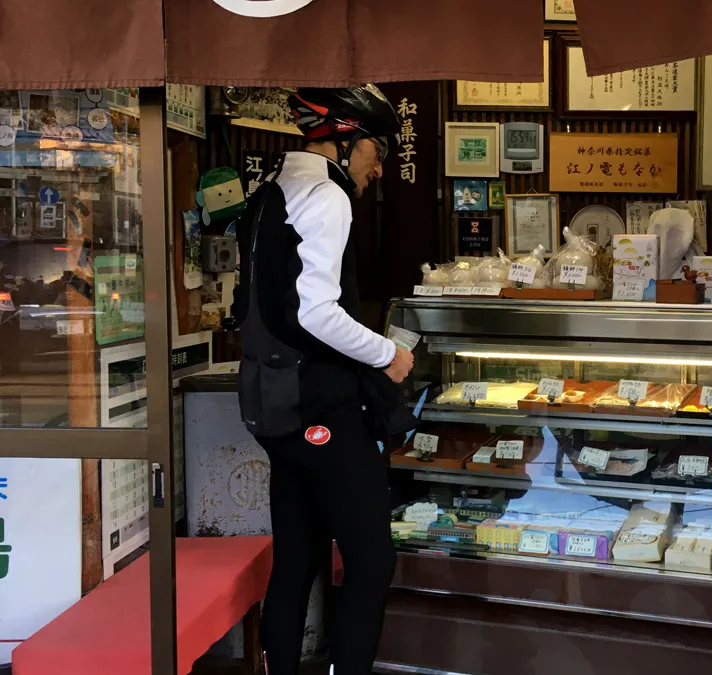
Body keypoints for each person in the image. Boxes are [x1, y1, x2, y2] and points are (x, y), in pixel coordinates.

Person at [230, 85, 414, 675]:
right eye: (374, 150)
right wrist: (388, 353)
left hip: (273, 407)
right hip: (320, 410)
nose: (378, 166)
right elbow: (317, 312)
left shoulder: (271, 192)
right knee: (370, 561)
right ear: (343, 137)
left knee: (297, 561)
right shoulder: (327, 196)